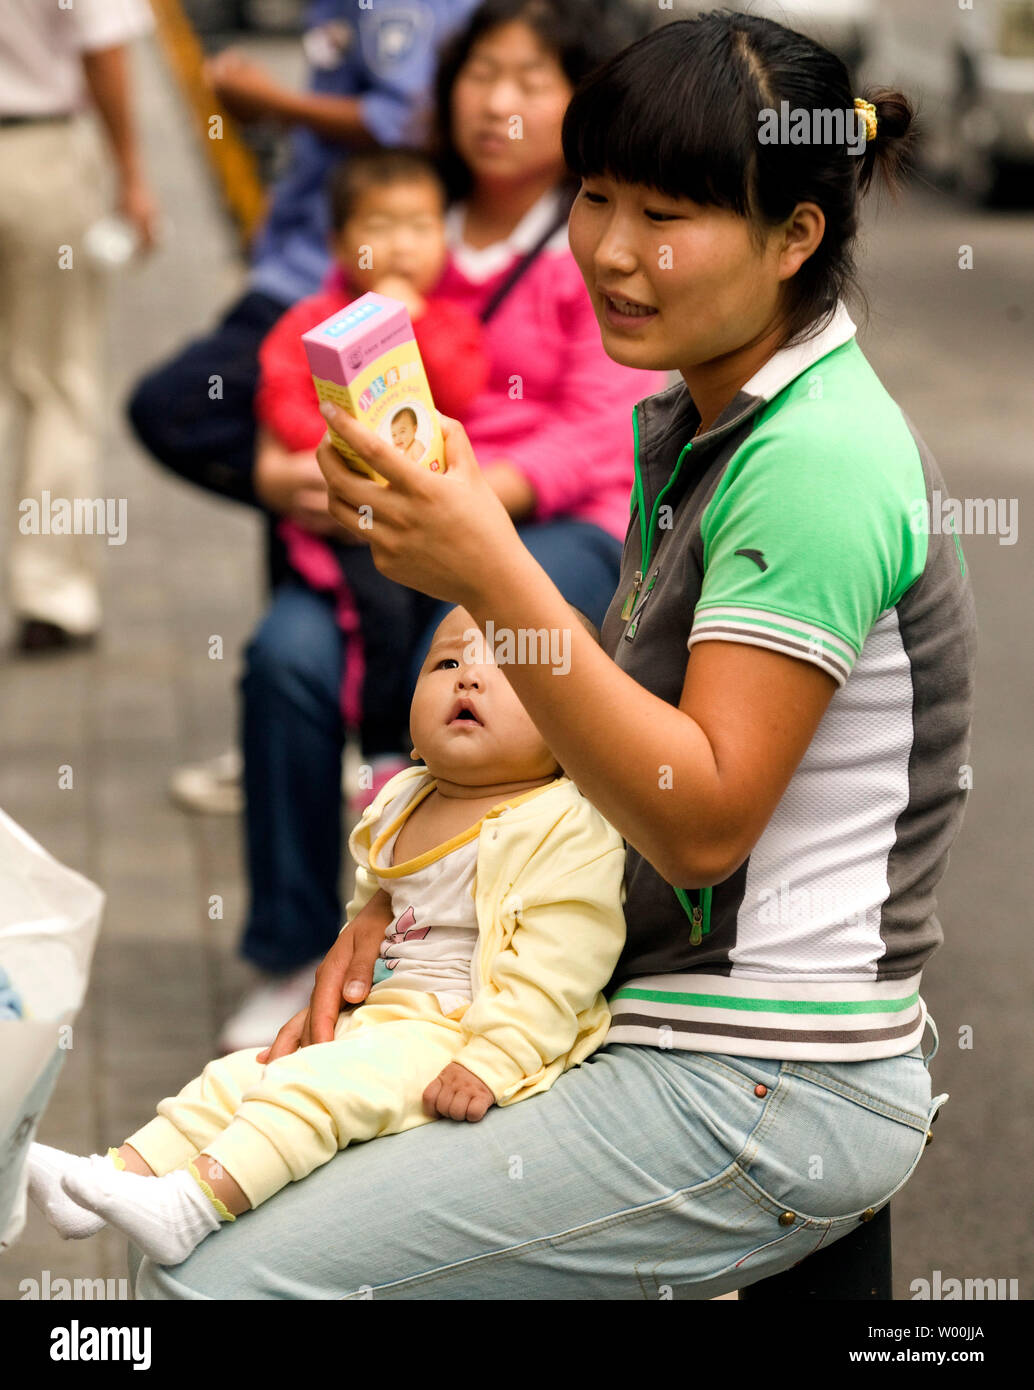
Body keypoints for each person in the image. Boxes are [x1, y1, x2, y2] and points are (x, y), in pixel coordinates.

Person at [127, 11, 974, 1301]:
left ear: (795, 235)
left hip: (756, 1082)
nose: (613, 254)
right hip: (654, 1020)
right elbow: (592, 776)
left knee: (219, 1278)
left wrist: (487, 572)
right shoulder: (721, 416)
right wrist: (404, 906)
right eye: (595, 198)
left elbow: (696, 822)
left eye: (668, 216)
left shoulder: (812, 463)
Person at [220, 0, 664, 1052]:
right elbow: (295, 343)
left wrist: (466, 506)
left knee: (460, 651)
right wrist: (286, 468)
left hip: (542, 521)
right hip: (393, 519)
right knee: (283, 658)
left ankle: (458, 941)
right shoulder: (404, 212)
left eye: (530, 79)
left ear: (579, 103)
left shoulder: (588, 234)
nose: (498, 102)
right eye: (480, 75)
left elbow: (602, 434)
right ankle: (290, 941)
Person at [27, 603, 626, 1268]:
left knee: (312, 1092)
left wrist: (491, 1060)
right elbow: (371, 914)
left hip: (459, 1033)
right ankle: (110, 1179)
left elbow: (560, 970)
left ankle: (191, 1207)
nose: (469, 681)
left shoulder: (564, 827)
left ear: (573, 724)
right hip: (385, 1018)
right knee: (239, 1075)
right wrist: (343, 999)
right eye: (449, 662)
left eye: (508, 672)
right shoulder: (406, 798)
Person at [253, 146, 488, 810]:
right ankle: (381, 745)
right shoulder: (307, 323)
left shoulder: (449, 322)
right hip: (346, 522)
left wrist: (408, 326)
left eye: (420, 227)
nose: (400, 246)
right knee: (380, 612)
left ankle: (419, 752)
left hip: (422, 514)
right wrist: (340, 446)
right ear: (337, 242)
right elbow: (281, 396)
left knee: (432, 617)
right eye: (378, 228)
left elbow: (462, 392)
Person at [0, 0, 158, 654]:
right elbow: (104, 48)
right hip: (41, 153)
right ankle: (51, 594)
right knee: (56, 382)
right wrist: (132, 174)